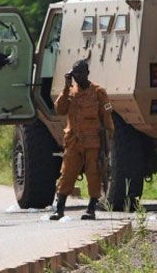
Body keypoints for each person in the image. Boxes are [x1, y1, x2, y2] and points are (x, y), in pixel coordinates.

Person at [50, 60, 114, 221]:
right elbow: (59, 109)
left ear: (87, 73)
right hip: (73, 141)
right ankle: (60, 208)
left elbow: (107, 119)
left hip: (93, 142)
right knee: (67, 173)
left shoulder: (98, 92)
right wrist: (66, 86)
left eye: (79, 73)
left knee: (94, 174)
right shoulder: (70, 92)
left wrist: (108, 143)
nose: (77, 77)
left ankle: (91, 208)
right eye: (74, 74)